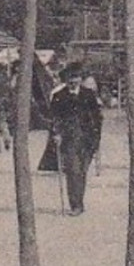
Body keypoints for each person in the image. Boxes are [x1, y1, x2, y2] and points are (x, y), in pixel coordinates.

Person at [53, 65, 103, 216]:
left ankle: (79, 202)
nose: (73, 81)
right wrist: (56, 133)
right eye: (70, 78)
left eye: (76, 78)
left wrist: (97, 140)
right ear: (66, 80)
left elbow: (97, 118)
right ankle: (75, 205)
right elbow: (54, 118)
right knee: (73, 171)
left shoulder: (89, 95)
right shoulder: (59, 96)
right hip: (69, 140)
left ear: (80, 79)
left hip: (87, 140)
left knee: (82, 172)